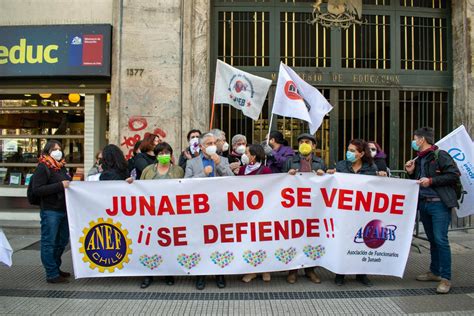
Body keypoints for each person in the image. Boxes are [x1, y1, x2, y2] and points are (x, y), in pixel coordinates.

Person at [405, 127, 460, 294]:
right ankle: (434, 271)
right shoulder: (420, 158)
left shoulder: (440, 155)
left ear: (421, 139)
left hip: (439, 205)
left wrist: (431, 180)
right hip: (424, 203)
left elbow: (453, 175)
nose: (413, 142)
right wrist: (411, 173)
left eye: (415, 138)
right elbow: (418, 181)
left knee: (440, 240)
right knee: (433, 240)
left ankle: (445, 278)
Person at [327, 139, 379, 287]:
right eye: (348, 150)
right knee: (344, 241)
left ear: (361, 154)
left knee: (362, 241)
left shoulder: (370, 167)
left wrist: (380, 176)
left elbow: (375, 186)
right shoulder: (342, 165)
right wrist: (330, 175)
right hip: (345, 211)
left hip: (363, 211)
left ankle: (361, 274)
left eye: (352, 151)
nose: (349, 153)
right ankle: (340, 273)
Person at [185, 133, 233, 290]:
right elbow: (185, 184)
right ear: (202, 146)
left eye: (214, 142)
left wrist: (218, 164)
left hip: (219, 208)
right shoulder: (192, 163)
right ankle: (201, 275)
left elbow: (232, 179)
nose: (213, 144)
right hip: (200, 210)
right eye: (209, 142)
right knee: (200, 241)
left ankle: (220, 274)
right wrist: (202, 174)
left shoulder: (223, 160)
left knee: (219, 241)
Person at [140, 142, 184, 289]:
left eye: (167, 153)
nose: (164, 156)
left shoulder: (178, 170)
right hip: (151, 214)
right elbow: (139, 189)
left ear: (171, 155)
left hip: (170, 215)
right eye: (161, 153)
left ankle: (168, 273)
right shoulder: (148, 170)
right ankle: (148, 274)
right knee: (150, 244)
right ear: (156, 155)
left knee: (168, 245)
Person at [284, 133, 326, 284]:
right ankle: (292, 271)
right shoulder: (290, 162)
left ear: (314, 146)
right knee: (294, 237)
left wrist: (323, 175)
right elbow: (281, 183)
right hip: (294, 207)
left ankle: (310, 270)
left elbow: (326, 185)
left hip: (313, 207)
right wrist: (288, 176)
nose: (304, 144)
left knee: (311, 238)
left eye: (307, 142)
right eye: (301, 142)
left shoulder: (319, 162)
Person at [32, 140, 71, 283]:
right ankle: (51, 273)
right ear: (47, 151)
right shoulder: (43, 167)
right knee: (49, 242)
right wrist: (59, 185)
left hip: (64, 209)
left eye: (59, 148)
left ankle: (56, 267)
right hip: (50, 210)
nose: (58, 151)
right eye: (54, 149)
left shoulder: (61, 167)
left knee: (62, 241)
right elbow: (38, 190)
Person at [237, 144, 272, 283]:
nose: (244, 155)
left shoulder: (266, 170)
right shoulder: (242, 170)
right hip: (245, 212)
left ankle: (265, 270)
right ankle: (251, 270)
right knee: (249, 241)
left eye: (246, 152)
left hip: (262, 211)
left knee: (262, 240)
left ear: (254, 155)